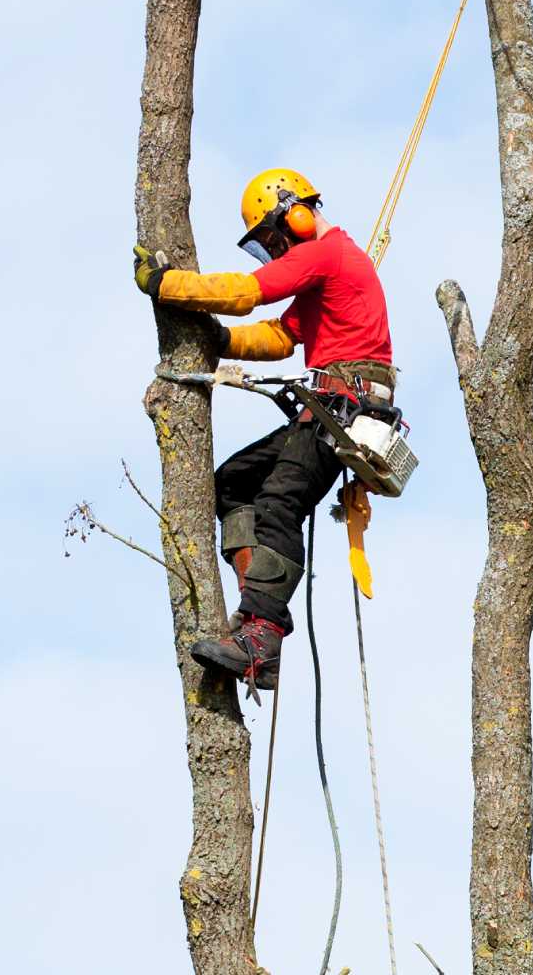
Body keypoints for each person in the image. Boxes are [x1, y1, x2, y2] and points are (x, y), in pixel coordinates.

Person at [133, 168, 396, 688]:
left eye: (274, 238)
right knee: (233, 482)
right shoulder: (328, 269)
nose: (275, 251)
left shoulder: (327, 253)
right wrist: (219, 341)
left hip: (344, 406)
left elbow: (251, 291)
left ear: (294, 212)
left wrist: (169, 287)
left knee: (279, 502)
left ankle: (262, 635)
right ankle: (256, 606)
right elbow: (281, 336)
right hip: (328, 405)